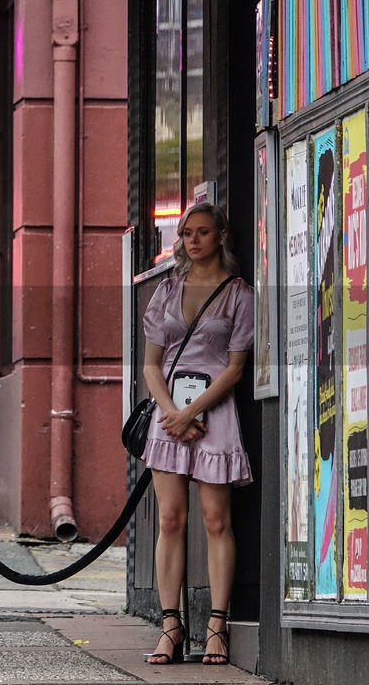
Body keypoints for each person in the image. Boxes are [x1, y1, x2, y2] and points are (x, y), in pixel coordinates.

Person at [140, 202, 254, 666]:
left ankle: (216, 628)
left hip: (216, 413)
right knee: (170, 519)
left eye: (203, 232)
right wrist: (173, 413)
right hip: (170, 419)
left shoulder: (238, 294)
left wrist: (194, 411)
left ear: (221, 236)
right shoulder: (165, 291)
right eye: (187, 233)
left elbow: (235, 368)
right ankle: (171, 627)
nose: (193, 240)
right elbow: (151, 364)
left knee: (215, 520)